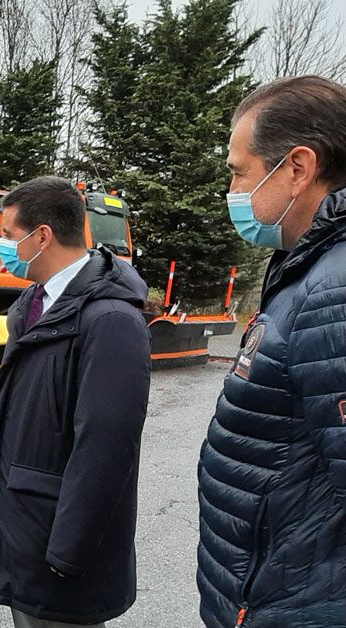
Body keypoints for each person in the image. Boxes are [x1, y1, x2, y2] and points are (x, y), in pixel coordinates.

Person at [0, 176, 151, 628]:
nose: (2, 247)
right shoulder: (31, 306)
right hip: (24, 530)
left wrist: (67, 551)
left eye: (8, 235)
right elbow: (12, 426)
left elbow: (104, 450)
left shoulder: (110, 320)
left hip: (56, 548)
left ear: (41, 235)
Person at [197, 75, 346, 626]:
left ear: (298, 167)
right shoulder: (309, 269)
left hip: (291, 605)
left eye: (240, 172)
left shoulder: (334, 289)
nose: (232, 190)